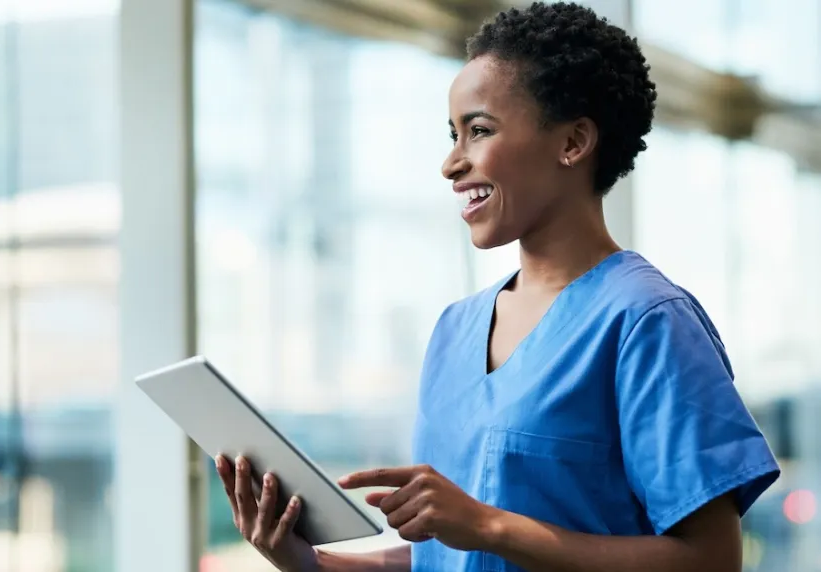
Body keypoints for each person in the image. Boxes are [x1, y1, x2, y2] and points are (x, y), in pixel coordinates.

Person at [214, 2, 781, 571]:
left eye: (478, 131)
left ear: (573, 142)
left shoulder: (647, 321)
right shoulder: (454, 330)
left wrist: (487, 524)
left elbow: (711, 561)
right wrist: (304, 560)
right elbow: (445, 558)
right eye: (453, 134)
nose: (450, 163)